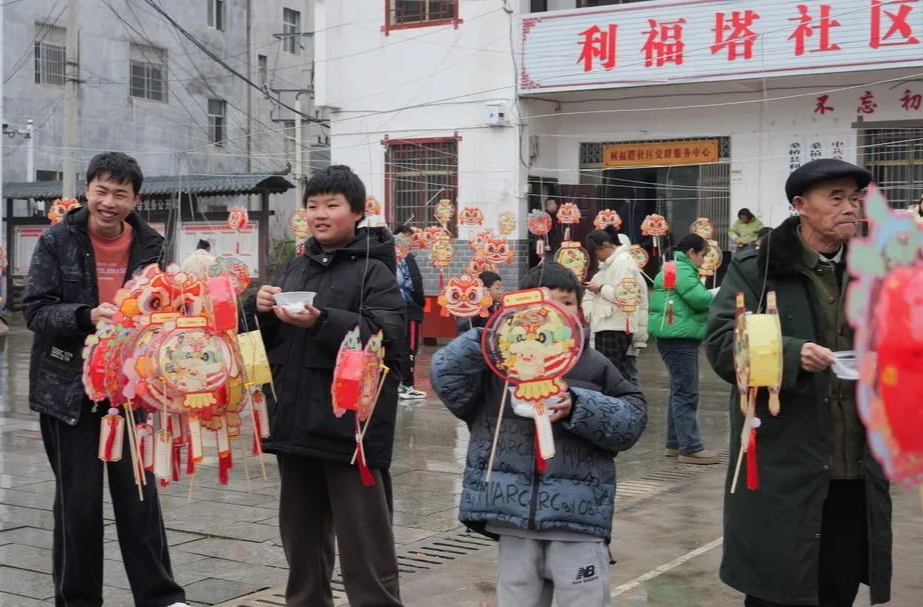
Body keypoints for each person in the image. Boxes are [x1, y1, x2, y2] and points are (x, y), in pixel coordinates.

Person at [705, 158, 892, 607]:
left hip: (853, 467)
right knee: (777, 587)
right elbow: (720, 343)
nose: (850, 208)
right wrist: (791, 354)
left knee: (838, 585)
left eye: (855, 198)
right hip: (782, 464)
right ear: (800, 206)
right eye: (836, 198)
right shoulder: (758, 268)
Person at [23, 152, 188, 607]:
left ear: (135, 198)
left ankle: (160, 596)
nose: (109, 202)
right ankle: (78, 600)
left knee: (139, 495)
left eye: (120, 193)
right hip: (68, 391)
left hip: (134, 391)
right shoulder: (57, 240)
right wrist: (86, 316)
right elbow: (36, 310)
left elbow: (165, 307)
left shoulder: (151, 244)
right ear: (87, 190)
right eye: (101, 190)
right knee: (79, 502)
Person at [430, 263, 647, 607]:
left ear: (581, 309)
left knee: (584, 599)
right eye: (544, 302)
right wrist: (489, 333)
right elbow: (445, 376)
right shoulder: (495, 365)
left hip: (577, 520)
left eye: (567, 302)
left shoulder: (593, 364)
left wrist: (577, 405)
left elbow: (630, 421)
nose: (555, 311)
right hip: (512, 517)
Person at [246, 166, 406, 607]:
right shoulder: (295, 266)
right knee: (302, 542)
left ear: (356, 212)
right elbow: (263, 341)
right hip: (296, 421)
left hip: (351, 430)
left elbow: (387, 340)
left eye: (332, 205)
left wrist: (322, 321)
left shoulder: (375, 271)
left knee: (365, 545)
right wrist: (257, 307)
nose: (320, 214)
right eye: (313, 205)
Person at [649, 233, 717, 465]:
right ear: (691, 253)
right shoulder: (683, 270)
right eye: (702, 255)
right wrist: (715, 294)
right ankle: (691, 447)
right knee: (687, 392)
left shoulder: (672, 267)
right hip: (680, 337)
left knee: (679, 390)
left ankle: (674, 443)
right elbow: (699, 300)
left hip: (672, 335)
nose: (703, 260)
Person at [583, 227, 649, 382]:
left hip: (616, 325)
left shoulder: (623, 262)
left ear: (606, 245)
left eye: (597, 252)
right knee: (612, 372)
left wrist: (600, 288)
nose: (597, 257)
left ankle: (623, 404)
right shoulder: (611, 264)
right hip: (608, 324)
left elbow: (626, 295)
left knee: (614, 374)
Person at [393, 225, 427, 401]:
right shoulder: (403, 258)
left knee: (399, 347)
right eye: (408, 237)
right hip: (409, 308)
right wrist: (420, 302)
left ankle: (399, 384)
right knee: (410, 348)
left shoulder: (389, 257)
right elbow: (415, 284)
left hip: (395, 309)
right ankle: (407, 386)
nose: (410, 242)